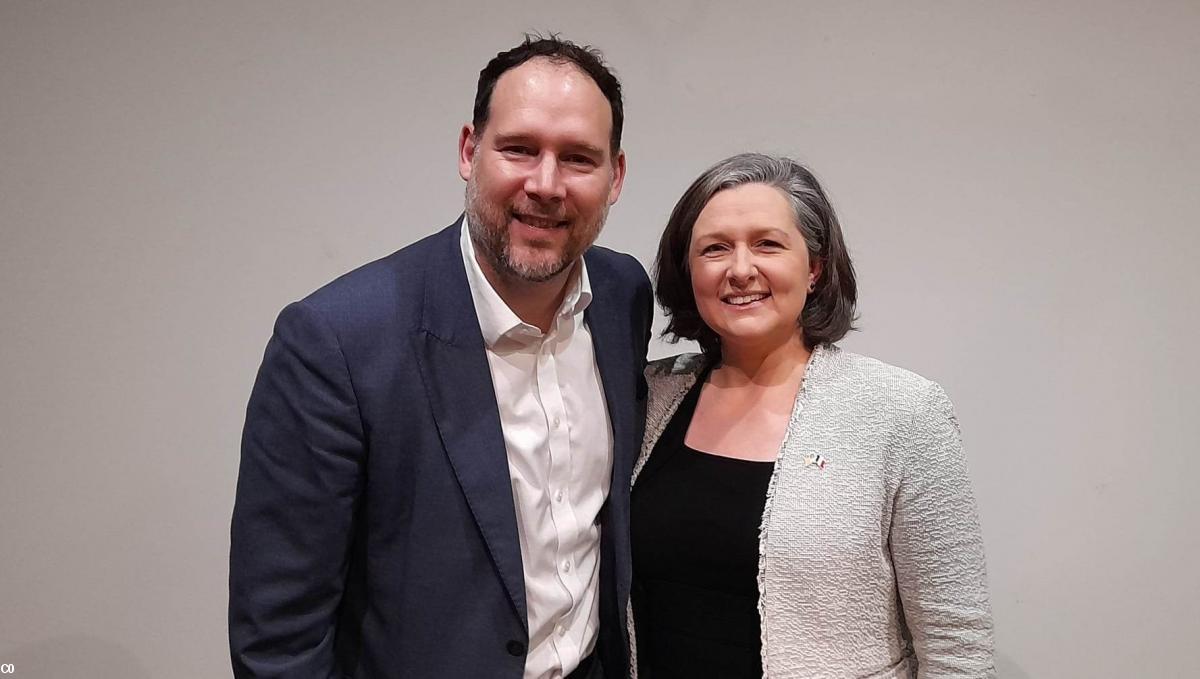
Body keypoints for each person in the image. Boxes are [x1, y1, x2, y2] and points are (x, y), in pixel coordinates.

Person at [229, 35, 652, 679]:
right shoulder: (336, 341)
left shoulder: (622, 297)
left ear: (615, 176)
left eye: (578, 159)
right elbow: (279, 635)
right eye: (518, 148)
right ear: (468, 150)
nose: (546, 184)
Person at [628, 153, 995, 678]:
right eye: (714, 249)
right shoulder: (646, 394)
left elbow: (956, 644)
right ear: (689, 272)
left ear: (815, 267)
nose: (740, 269)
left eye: (767, 244)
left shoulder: (903, 412)